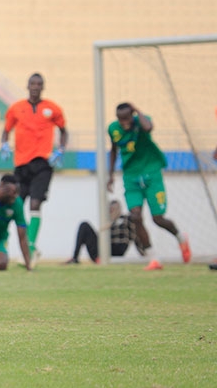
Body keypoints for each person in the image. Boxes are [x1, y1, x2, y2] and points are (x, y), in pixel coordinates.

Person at [107, 102, 191, 268]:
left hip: (152, 174)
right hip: (131, 177)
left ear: (132, 116)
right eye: (120, 119)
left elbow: (149, 128)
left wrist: (137, 110)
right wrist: (110, 176)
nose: (123, 123)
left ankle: (181, 237)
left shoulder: (141, 122)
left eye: (126, 118)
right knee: (135, 216)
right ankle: (153, 258)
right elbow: (114, 150)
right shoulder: (113, 129)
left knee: (158, 218)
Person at [0, 72, 67, 262]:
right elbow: (6, 130)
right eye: (33, 83)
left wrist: (61, 149)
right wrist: (4, 144)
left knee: (35, 204)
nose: (36, 86)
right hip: (21, 164)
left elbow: (63, 131)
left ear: (43, 87)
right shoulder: (16, 108)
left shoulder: (52, 109)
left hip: (42, 163)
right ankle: (1, 246)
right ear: (27, 86)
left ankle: (30, 248)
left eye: (39, 84)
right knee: (13, 205)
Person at [64, 200, 142, 264]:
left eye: (114, 209)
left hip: (117, 248)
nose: (112, 211)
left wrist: (143, 253)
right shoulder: (106, 221)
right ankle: (75, 258)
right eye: (110, 209)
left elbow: (135, 236)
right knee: (84, 226)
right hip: (104, 248)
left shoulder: (126, 219)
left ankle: (98, 258)